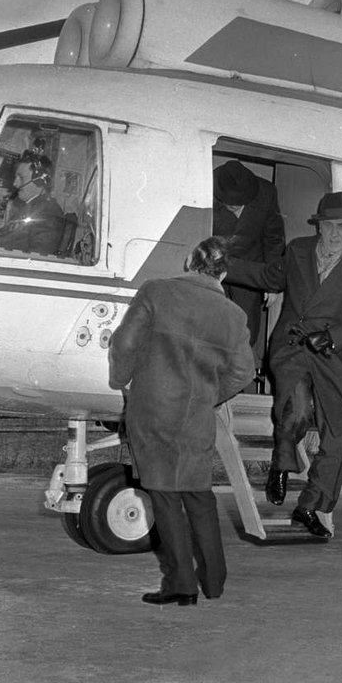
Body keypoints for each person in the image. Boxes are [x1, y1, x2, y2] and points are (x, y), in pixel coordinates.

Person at [225, 191, 342, 538]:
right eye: (329, 226)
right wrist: (222, 266)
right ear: (319, 226)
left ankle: (310, 506)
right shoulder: (298, 250)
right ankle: (282, 463)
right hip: (294, 347)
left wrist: (332, 337)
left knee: (338, 437)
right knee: (295, 410)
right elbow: (269, 277)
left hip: (337, 356)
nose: (335, 233)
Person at [108, 236, 255, 605]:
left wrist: (121, 380)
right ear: (223, 273)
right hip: (196, 416)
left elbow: (124, 343)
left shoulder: (156, 292)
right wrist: (209, 395)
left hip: (154, 410)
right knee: (199, 495)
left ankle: (181, 584)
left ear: (190, 261)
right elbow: (243, 372)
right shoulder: (234, 315)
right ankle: (215, 582)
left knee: (165, 497)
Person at [212, 160, 286, 346]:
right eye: (229, 204)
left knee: (246, 331)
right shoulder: (204, 188)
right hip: (213, 267)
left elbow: (274, 239)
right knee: (211, 326)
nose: (234, 208)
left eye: (239, 204)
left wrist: (271, 282)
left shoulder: (266, 193)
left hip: (250, 267)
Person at [0, 151, 65, 254]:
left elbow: (39, 256)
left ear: (39, 180)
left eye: (21, 178)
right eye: (16, 178)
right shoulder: (30, 209)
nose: (15, 183)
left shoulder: (49, 213)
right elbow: (3, 237)